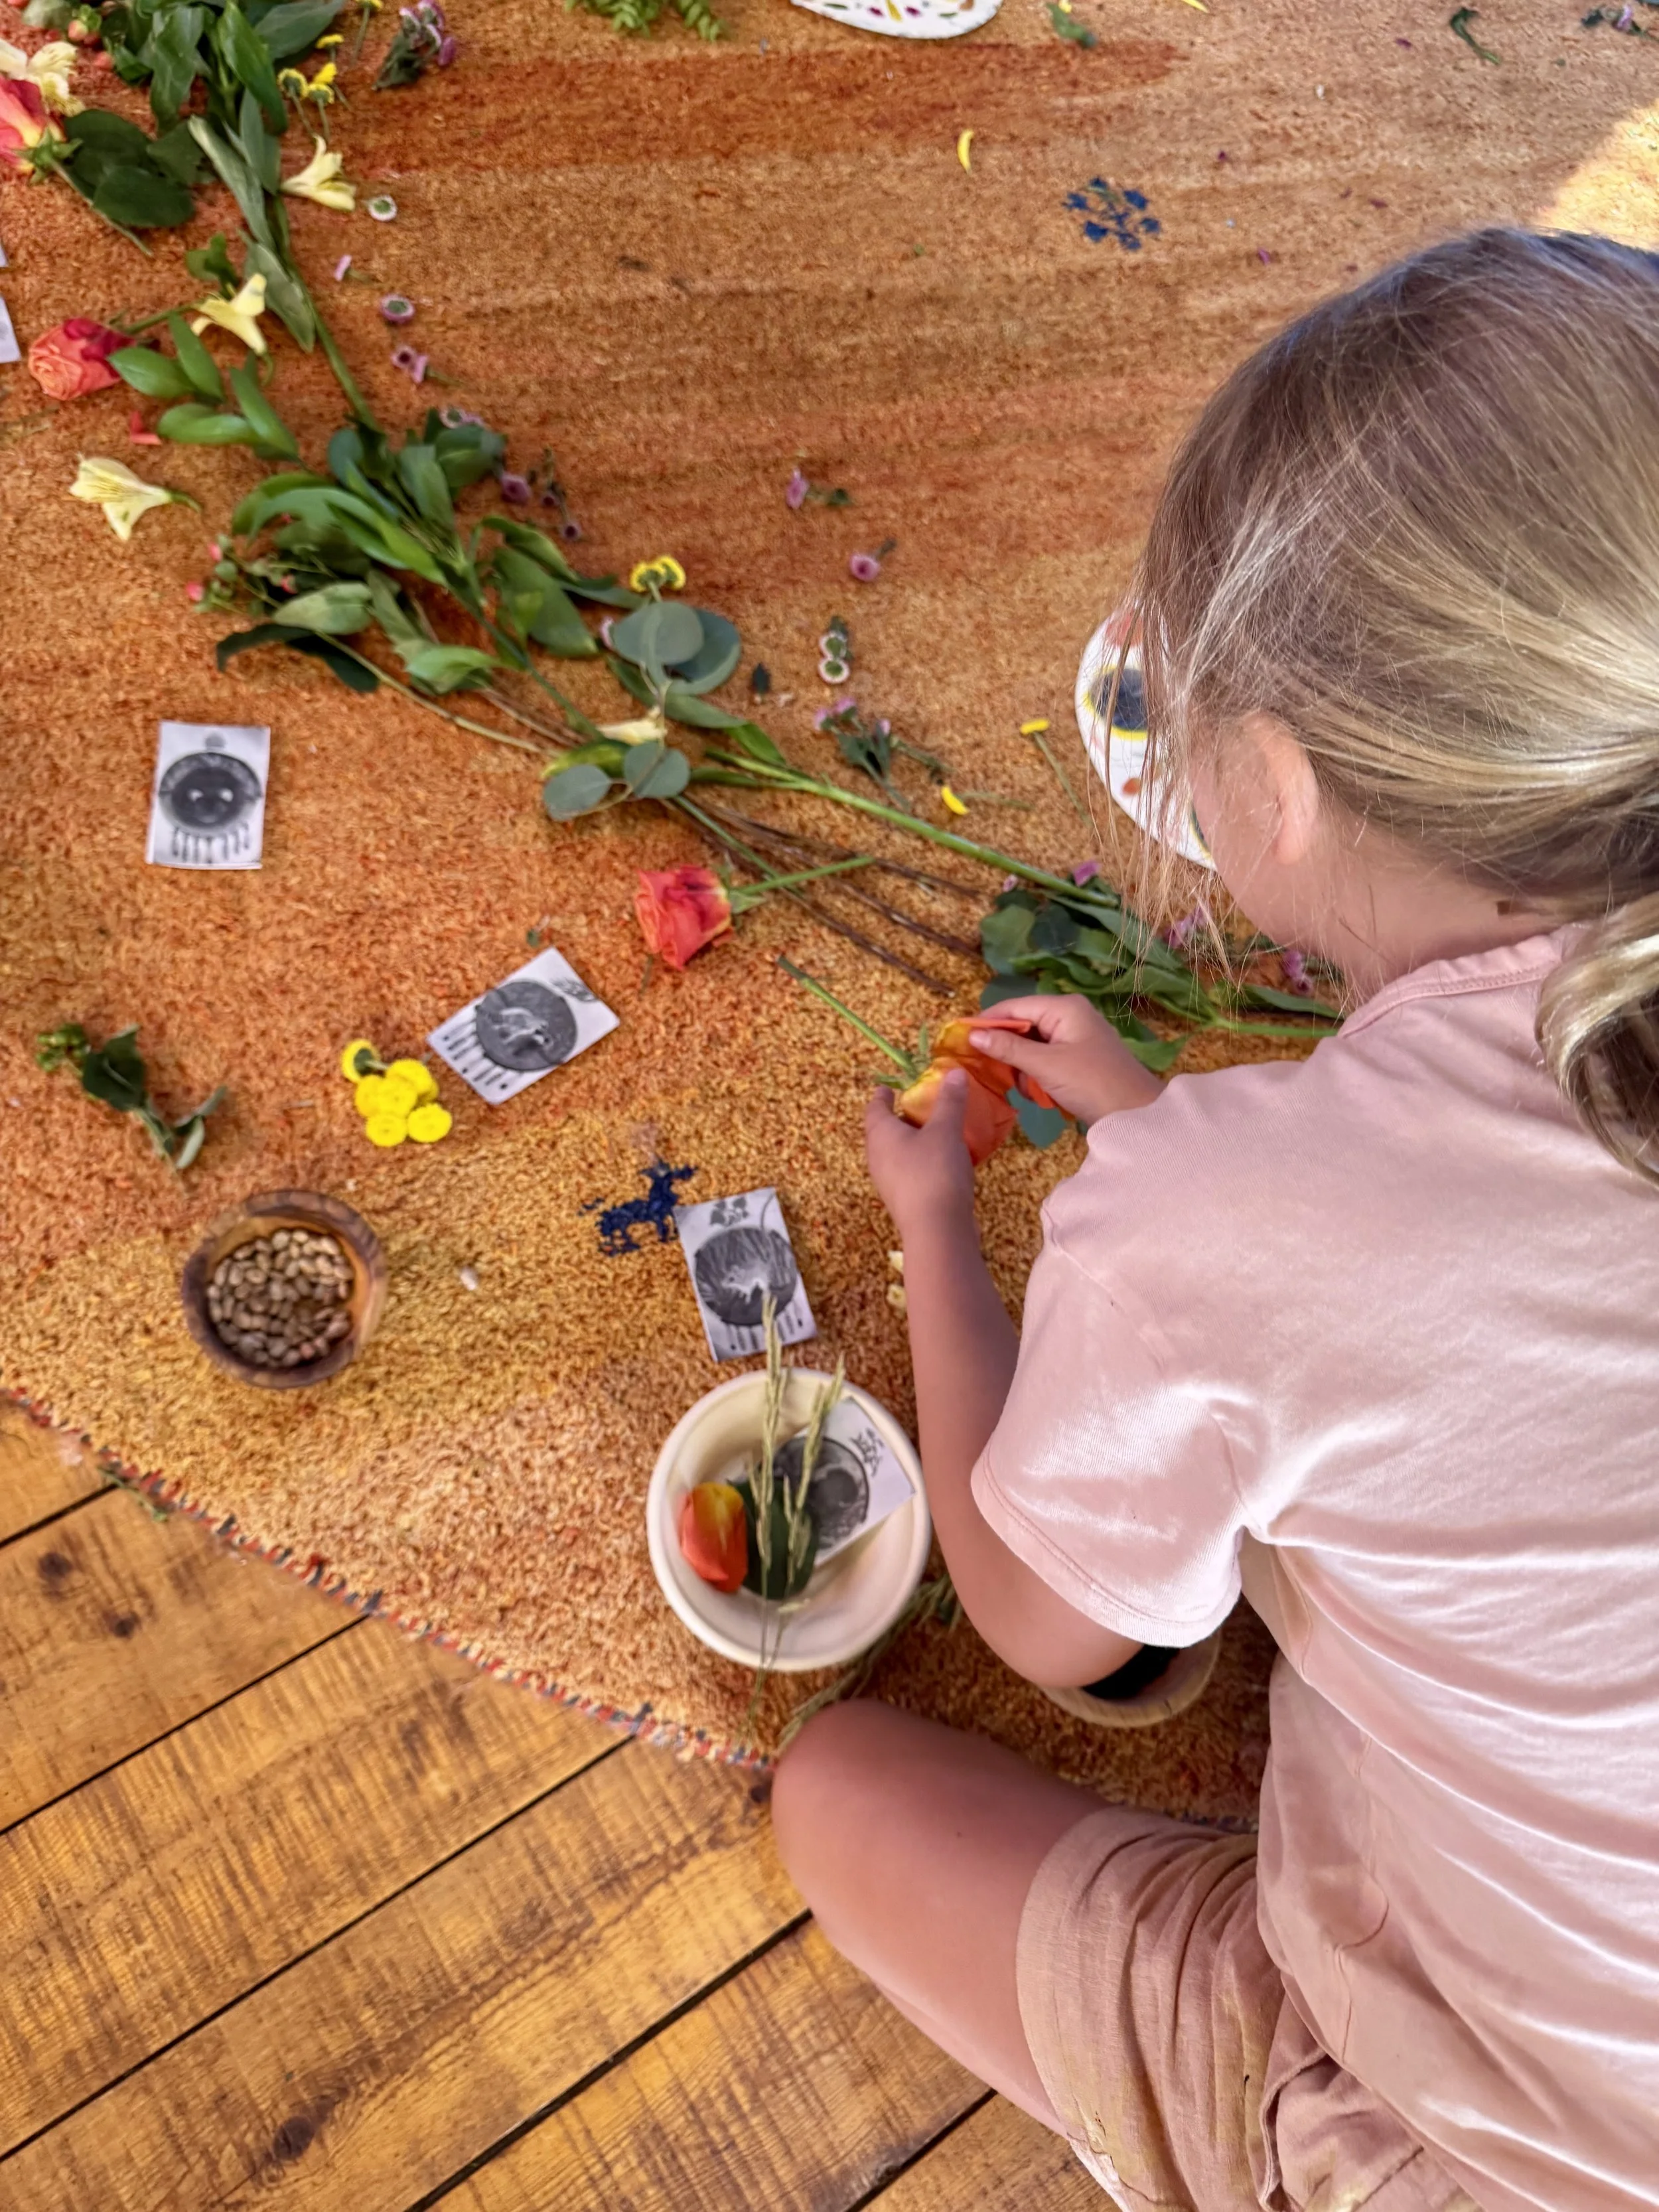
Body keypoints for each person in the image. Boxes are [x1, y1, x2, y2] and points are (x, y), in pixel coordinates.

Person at [770, 228, 1659, 2212]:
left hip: (1518, 2156)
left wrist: (944, 1222)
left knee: (836, 1792)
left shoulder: (1224, 1213)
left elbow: (1036, 1618)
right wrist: (1192, 1160)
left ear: (1253, 789)